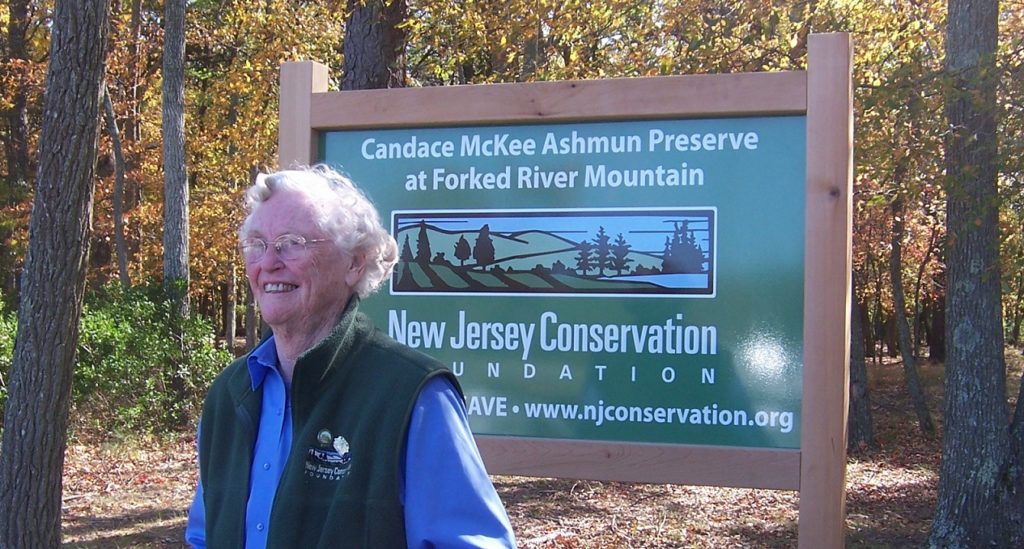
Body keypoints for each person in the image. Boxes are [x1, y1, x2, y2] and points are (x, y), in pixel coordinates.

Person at [185, 165, 517, 548]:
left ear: (355, 263)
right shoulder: (229, 395)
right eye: (257, 244)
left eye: (291, 243)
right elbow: (204, 536)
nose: (269, 262)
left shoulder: (413, 397)